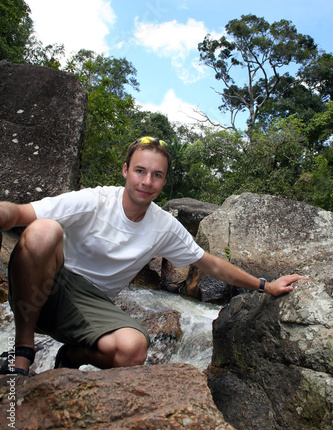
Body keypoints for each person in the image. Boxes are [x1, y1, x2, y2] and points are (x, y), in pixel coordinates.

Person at [0, 136, 308, 376]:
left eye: (157, 175)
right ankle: (22, 352)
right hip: (44, 288)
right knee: (43, 230)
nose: (147, 182)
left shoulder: (164, 226)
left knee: (133, 350)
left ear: (164, 181)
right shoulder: (94, 201)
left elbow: (210, 263)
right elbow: (20, 213)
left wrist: (265, 286)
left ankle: (70, 355)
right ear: (125, 170)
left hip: (90, 307)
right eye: (140, 171)